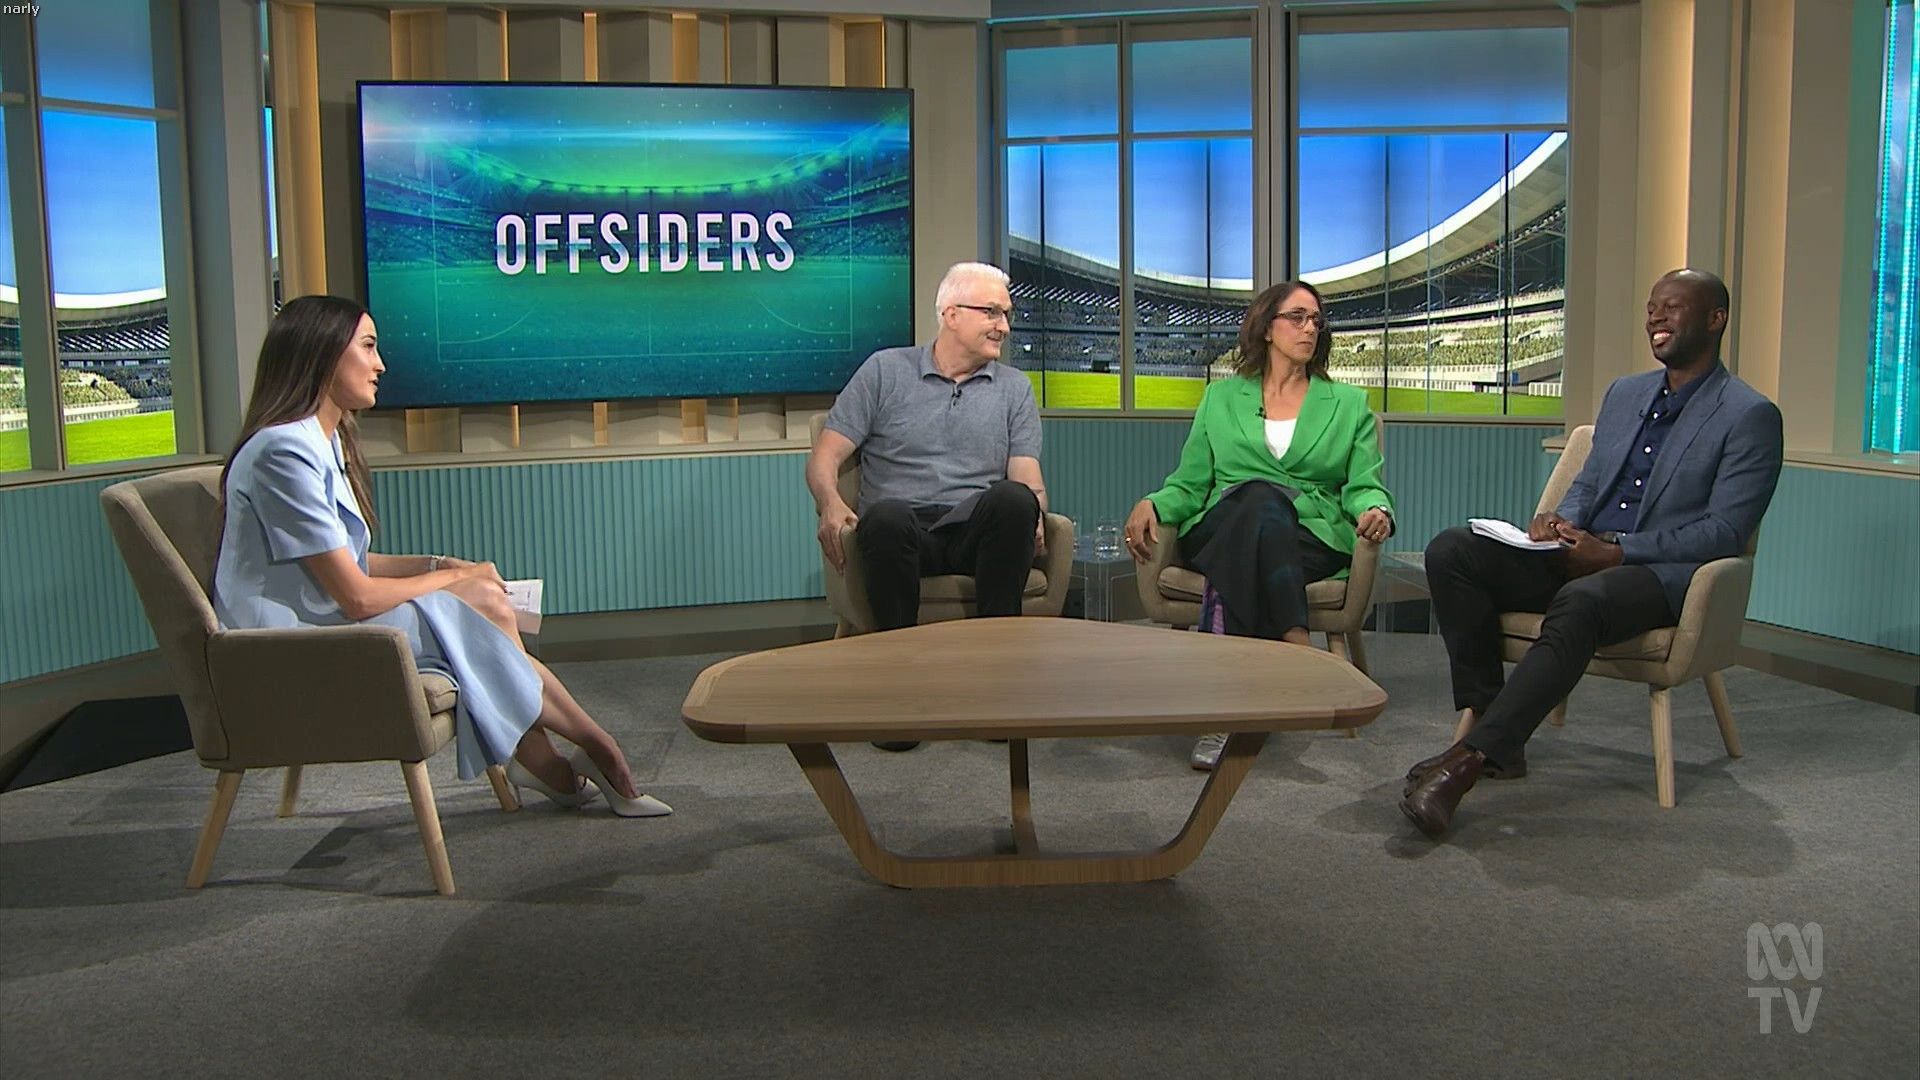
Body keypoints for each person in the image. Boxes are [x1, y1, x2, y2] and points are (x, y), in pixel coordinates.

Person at [213, 295, 670, 817]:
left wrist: (442, 566)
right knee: (484, 604)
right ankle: (590, 749)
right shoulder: (283, 451)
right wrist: (454, 582)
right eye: (368, 347)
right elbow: (357, 596)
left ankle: (552, 757)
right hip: (287, 645)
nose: (381, 365)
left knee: (484, 598)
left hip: (323, 616)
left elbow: (350, 561)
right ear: (322, 354)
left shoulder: (323, 441)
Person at [1400, 268, 1783, 838]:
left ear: (1715, 319)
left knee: (1582, 601)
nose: (1655, 316)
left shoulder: (1749, 415)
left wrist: (1619, 552)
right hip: (1582, 553)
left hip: (1655, 574)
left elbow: (1724, 532)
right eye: (1651, 307)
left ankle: (1469, 761)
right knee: (1453, 550)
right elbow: (1591, 479)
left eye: (1672, 306)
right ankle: (1494, 723)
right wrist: (1562, 520)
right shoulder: (1625, 393)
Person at [1124, 280, 1394, 770]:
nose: (1309, 328)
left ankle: (1223, 713)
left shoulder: (1349, 404)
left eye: (1316, 321)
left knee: (1255, 525)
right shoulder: (1220, 398)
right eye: (1297, 317)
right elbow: (1190, 482)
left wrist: (1376, 509)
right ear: (1267, 327)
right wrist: (1154, 502)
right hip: (1224, 522)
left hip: (1309, 535)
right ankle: (1297, 650)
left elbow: (1363, 484)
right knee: (1255, 500)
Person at [806, 261, 1049, 752]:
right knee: (886, 515)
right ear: (951, 314)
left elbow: (1026, 476)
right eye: (992, 312)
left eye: (1006, 314)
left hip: (971, 529)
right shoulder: (885, 371)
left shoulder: (1014, 388)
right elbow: (825, 456)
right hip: (900, 532)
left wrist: (1037, 511)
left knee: (1014, 500)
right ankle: (900, 694)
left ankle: (996, 688)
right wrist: (830, 503)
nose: (1004, 326)